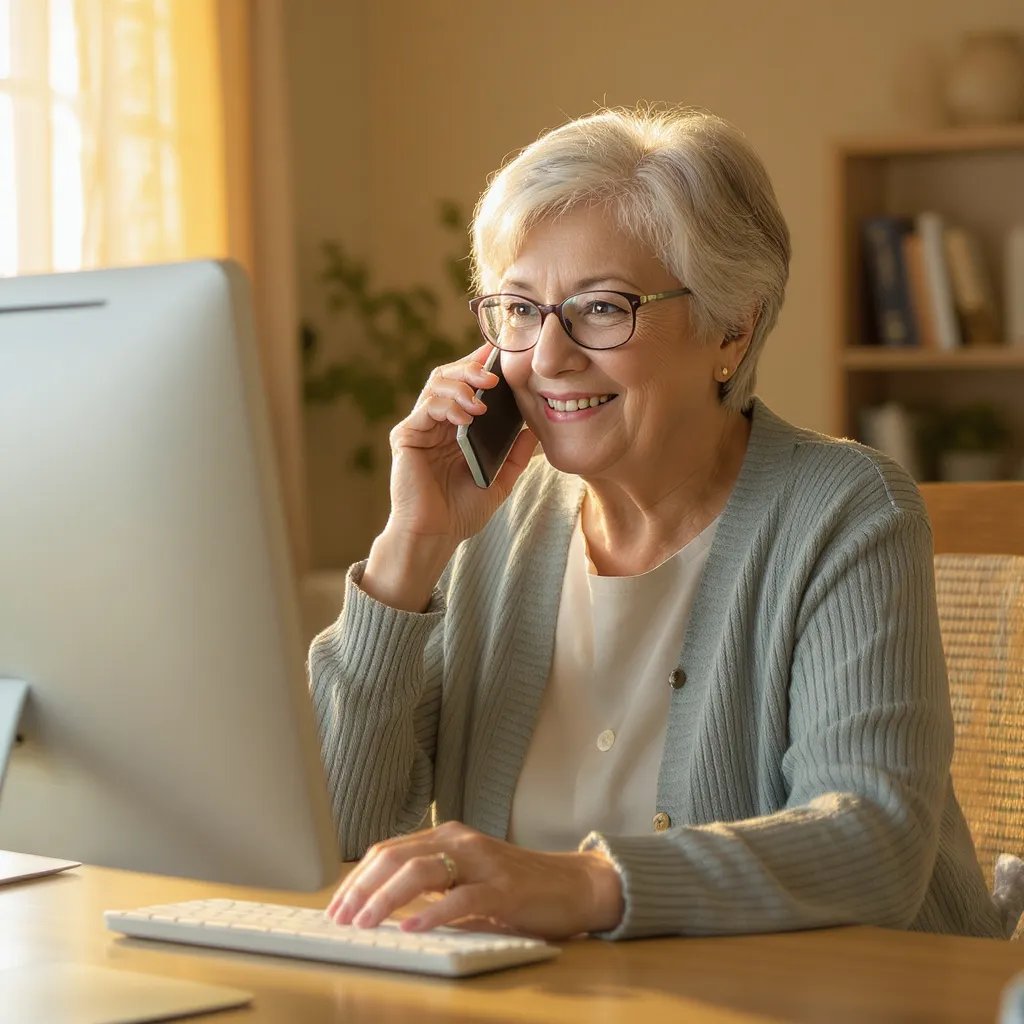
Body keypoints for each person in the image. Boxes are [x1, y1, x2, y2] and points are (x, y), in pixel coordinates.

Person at [309, 105, 1003, 941]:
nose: (549, 357)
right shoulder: (487, 520)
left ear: (732, 325)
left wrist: (586, 885)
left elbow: (872, 841)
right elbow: (340, 840)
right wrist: (408, 550)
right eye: (520, 310)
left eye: (602, 308)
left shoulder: (845, 508)